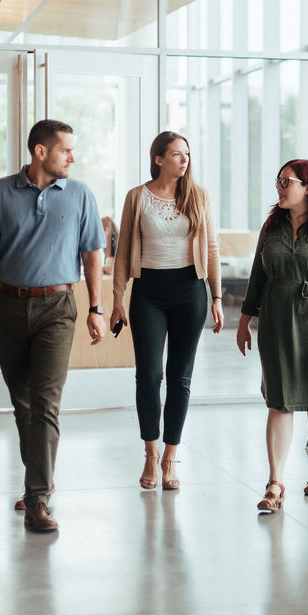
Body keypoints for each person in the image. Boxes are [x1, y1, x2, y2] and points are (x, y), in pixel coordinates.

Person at [0, 119, 106, 531]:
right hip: (9, 305)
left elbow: (92, 253)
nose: (73, 158)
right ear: (41, 151)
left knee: (46, 402)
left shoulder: (80, 194)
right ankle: (37, 486)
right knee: (23, 403)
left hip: (59, 306)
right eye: (66, 150)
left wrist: (96, 307)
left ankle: (37, 499)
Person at [236, 159, 308, 513]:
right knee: (279, 400)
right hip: (275, 323)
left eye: (287, 181)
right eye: (278, 181)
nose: (280, 187)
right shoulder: (271, 229)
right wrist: (244, 320)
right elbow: (257, 276)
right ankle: (275, 481)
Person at [110, 131, 223, 491]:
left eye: (187, 153)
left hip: (190, 291)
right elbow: (124, 252)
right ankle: (150, 452)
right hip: (148, 293)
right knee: (149, 375)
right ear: (158, 159)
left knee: (181, 378)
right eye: (176, 154)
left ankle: (171, 456)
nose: (184, 159)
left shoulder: (199, 195)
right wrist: (116, 300)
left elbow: (212, 248)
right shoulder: (137, 197)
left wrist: (217, 297)